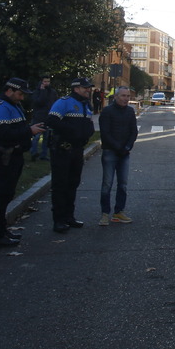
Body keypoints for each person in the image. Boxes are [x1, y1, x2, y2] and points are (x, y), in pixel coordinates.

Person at [0, 78, 45, 248]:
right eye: (20, 94)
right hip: (4, 157)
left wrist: (30, 129)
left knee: (8, 194)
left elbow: (16, 130)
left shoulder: (13, 106)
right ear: (9, 91)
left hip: (14, 156)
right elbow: (4, 134)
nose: (22, 98)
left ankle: (2, 230)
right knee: (3, 195)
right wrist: (29, 130)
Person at [46, 76, 96, 233]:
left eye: (88, 87)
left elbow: (88, 123)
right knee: (60, 184)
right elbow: (52, 121)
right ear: (76, 88)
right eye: (85, 87)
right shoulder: (64, 102)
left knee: (73, 183)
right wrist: (71, 131)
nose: (88, 90)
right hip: (63, 149)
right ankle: (58, 220)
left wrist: (88, 132)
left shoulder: (85, 104)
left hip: (77, 149)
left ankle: (69, 216)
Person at [98, 86, 138, 226]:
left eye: (127, 96)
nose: (126, 98)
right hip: (110, 152)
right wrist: (118, 147)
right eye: (123, 96)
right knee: (107, 183)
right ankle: (104, 213)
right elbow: (105, 133)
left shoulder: (130, 111)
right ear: (115, 97)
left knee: (123, 184)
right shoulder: (107, 111)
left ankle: (119, 212)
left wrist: (127, 147)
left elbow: (134, 131)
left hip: (124, 153)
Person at [28, 76, 56, 160]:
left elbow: (54, 103)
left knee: (46, 137)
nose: (47, 83)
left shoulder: (52, 92)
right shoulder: (36, 92)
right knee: (36, 137)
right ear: (41, 82)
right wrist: (43, 91)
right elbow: (39, 102)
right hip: (38, 117)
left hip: (48, 117)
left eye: (48, 81)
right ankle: (34, 153)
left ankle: (43, 155)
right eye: (45, 81)